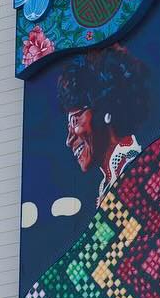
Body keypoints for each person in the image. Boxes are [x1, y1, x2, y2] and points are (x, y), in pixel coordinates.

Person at [57, 45, 151, 202]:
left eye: (76, 120)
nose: (69, 140)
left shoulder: (137, 172)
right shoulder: (112, 181)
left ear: (105, 110)